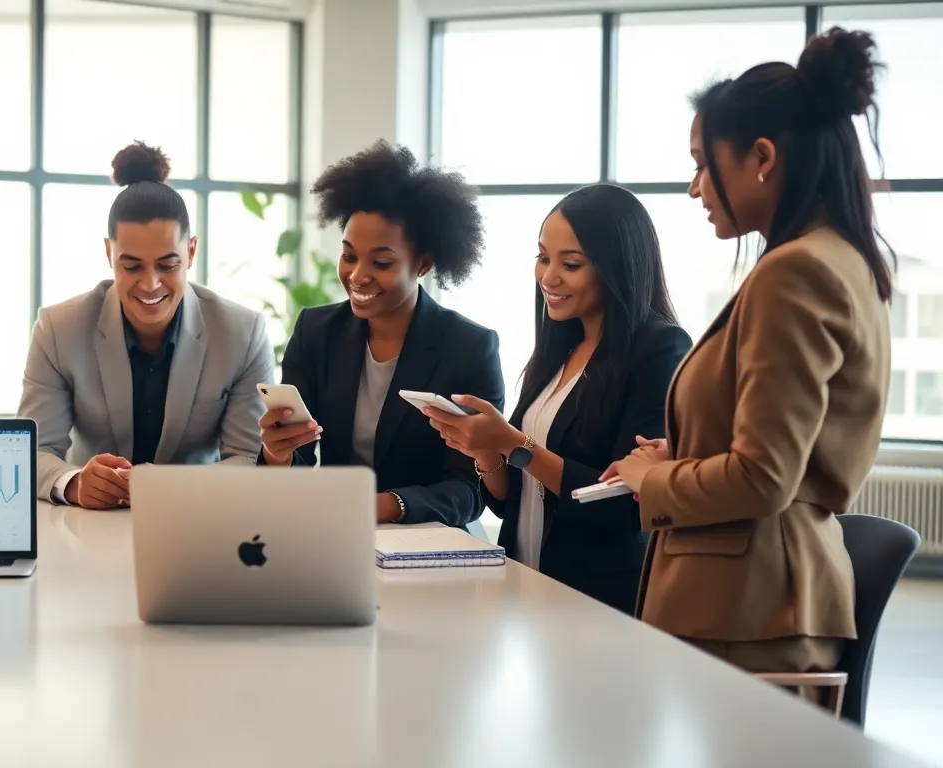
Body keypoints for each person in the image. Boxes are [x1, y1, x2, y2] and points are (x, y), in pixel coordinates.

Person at [603, 28, 894, 673]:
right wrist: (687, 452)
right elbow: (784, 452)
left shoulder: (796, 272)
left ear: (762, 157)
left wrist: (654, 478)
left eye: (703, 164)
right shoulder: (840, 259)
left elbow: (763, 477)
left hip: (747, 615)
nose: (695, 188)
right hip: (751, 609)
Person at [423, 184, 691, 614]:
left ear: (617, 266)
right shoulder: (559, 348)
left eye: (570, 264)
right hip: (523, 585)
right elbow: (511, 501)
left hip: (597, 600)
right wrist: (485, 451)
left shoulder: (660, 348)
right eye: (543, 257)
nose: (548, 277)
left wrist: (514, 443)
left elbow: (624, 503)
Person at [258, 140, 503, 529]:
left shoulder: (469, 348)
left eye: (382, 263)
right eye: (349, 256)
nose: (357, 276)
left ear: (422, 264)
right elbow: (297, 461)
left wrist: (384, 506)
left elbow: (468, 489)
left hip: (428, 541)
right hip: (336, 532)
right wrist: (277, 455)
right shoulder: (316, 333)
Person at [20, 141, 275, 509]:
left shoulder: (242, 334)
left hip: (193, 518)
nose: (151, 284)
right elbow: (32, 451)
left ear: (191, 251)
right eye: (132, 266)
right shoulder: (58, 330)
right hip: (88, 521)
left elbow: (249, 458)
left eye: (168, 265)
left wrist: (172, 485)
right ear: (109, 253)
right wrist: (73, 482)